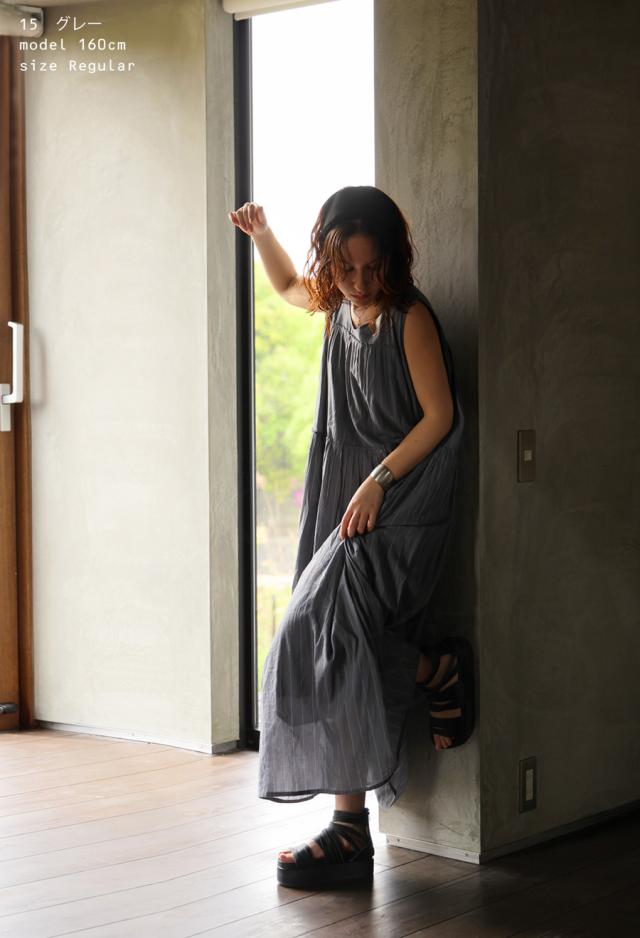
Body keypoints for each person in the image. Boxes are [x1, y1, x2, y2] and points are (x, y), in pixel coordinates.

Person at [228, 185, 474, 890]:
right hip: (348, 496)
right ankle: (433, 674)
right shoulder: (337, 305)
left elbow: (440, 418)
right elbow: (286, 287)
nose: (359, 281)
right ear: (330, 261)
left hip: (400, 497)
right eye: (345, 268)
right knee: (328, 641)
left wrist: (378, 482)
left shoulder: (408, 318)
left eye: (373, 267)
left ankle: (349, 826)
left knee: (327, 632)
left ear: (393, 259)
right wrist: (262, 235)